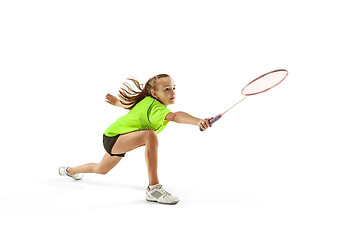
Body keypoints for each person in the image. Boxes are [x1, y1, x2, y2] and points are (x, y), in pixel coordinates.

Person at [59, 74, 212, 204]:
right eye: (166, 89)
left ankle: (69, 171)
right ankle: (154, 189)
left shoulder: (145, 101)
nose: (172, 92)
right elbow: (176, 116)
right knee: (149, 135)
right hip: (115, 138)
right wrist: (198, 121)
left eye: (173, 88)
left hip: (113, 137)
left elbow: (129, 104)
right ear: (154, 93)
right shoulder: (155, 107)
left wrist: (116, 102)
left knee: (101, 168)